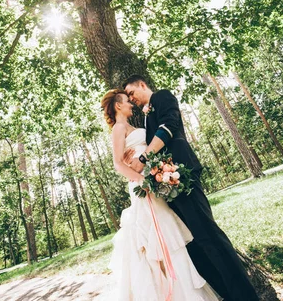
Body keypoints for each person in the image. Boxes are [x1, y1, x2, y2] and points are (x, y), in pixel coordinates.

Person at [123, 75, 259, 301]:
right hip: (166, 187)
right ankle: (226, 294)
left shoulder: (163, 96)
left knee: (209, 237)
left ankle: (246, 296)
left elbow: (169, 126)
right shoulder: (146, 118)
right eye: (127, 97)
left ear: (142, 85)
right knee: (194, 244)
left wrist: (144, 158)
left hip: (182, 177)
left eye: (131, 93)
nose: (131, 98)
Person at [101, 89, 219, 301]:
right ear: (118, 105)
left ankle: (183, 288)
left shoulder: (130, 126)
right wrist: (140, 181)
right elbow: (117, 164)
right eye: (127, 101)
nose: (131, 104)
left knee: (168, 230)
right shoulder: (118, 128)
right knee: (154, 235)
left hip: (153, 181)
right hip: (143, 186)